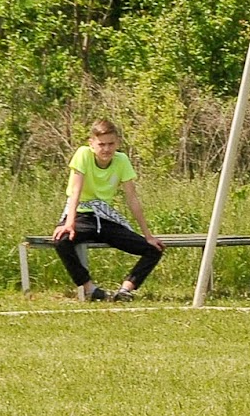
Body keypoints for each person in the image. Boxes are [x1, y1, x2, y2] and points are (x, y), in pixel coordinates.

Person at [52, 119, 165, 301]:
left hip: (104, 218)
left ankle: (125, 290)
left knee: (154, 250)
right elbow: (76, 191)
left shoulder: (122, 161)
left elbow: (132, 198)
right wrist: (70, 223)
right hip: (81, 214)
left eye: (111, 144)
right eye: (101, 144)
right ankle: (90, 288)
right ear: (92, 144)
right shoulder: (83, 155)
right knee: (61, 241)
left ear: (117, 143)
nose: (106, 149)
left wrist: (148, 235)